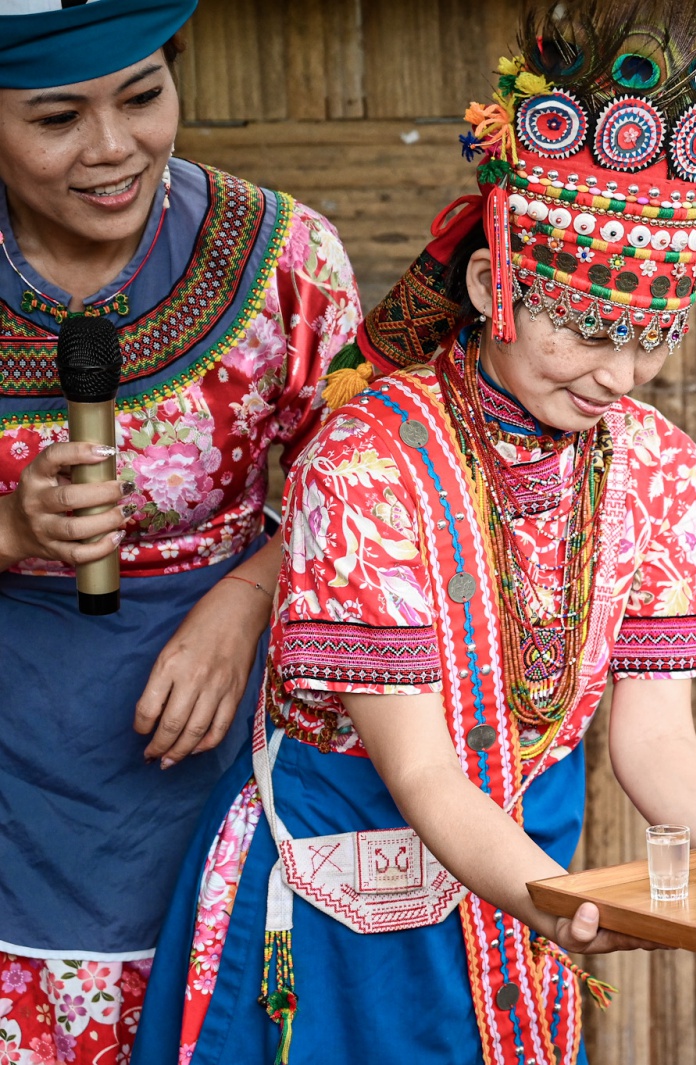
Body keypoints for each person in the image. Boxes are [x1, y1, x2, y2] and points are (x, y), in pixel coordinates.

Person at [130, 5, 696, 1064]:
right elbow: (420, 771)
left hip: (531, 889)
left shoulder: (662, 468)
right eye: (586, 329)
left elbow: (655, 741)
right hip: (343, 919)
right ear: (496, 287)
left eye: (651, 334)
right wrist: (547, 902)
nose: (619, 375)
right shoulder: (368, 461)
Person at [0, 3, 360, 1060]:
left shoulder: (287, 259)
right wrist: (13, 527)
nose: (114, 148)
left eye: (144, 96)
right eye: (57, 117)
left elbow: (369, 501)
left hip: (228, 734)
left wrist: (247, 600)